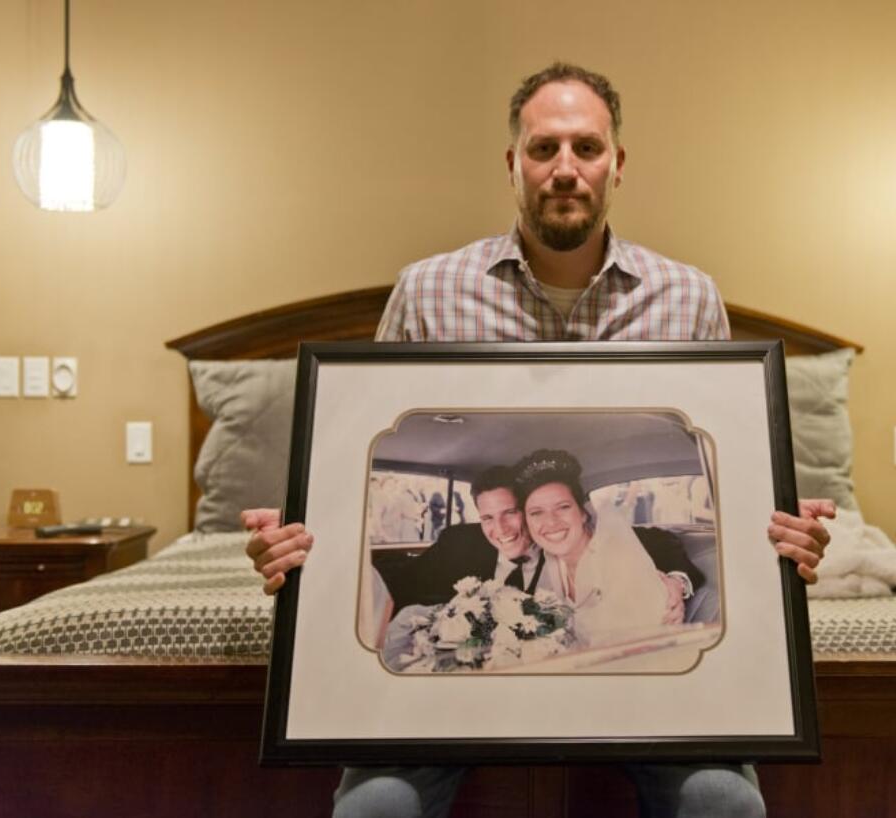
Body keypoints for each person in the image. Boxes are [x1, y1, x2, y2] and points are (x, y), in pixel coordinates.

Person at [244, 60, 834, 818]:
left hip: (654, 701)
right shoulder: (427, 291)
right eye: (543, 149)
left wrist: (781, 538)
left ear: (617, 165)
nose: (565, 169)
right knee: (374, 811)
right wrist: (297, 544)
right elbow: (350, 473)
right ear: (512, 164)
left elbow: (731, 488)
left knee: (726, 805)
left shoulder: (688, 297)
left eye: (586, 149)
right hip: (450, 709)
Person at [382, 465, 702, 621]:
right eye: (487, 518)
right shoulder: (460, 542)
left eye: (511, 513)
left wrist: (675, 580)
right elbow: (400, 585)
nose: (500, 529)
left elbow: (660, 540)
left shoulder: (564, 544)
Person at [512, 448, 669, 645]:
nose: (551, 522)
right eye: (536, 513)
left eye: (563, 507)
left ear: (583, 513)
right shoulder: (550, 565)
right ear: (527, 522)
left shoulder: (618, 559)